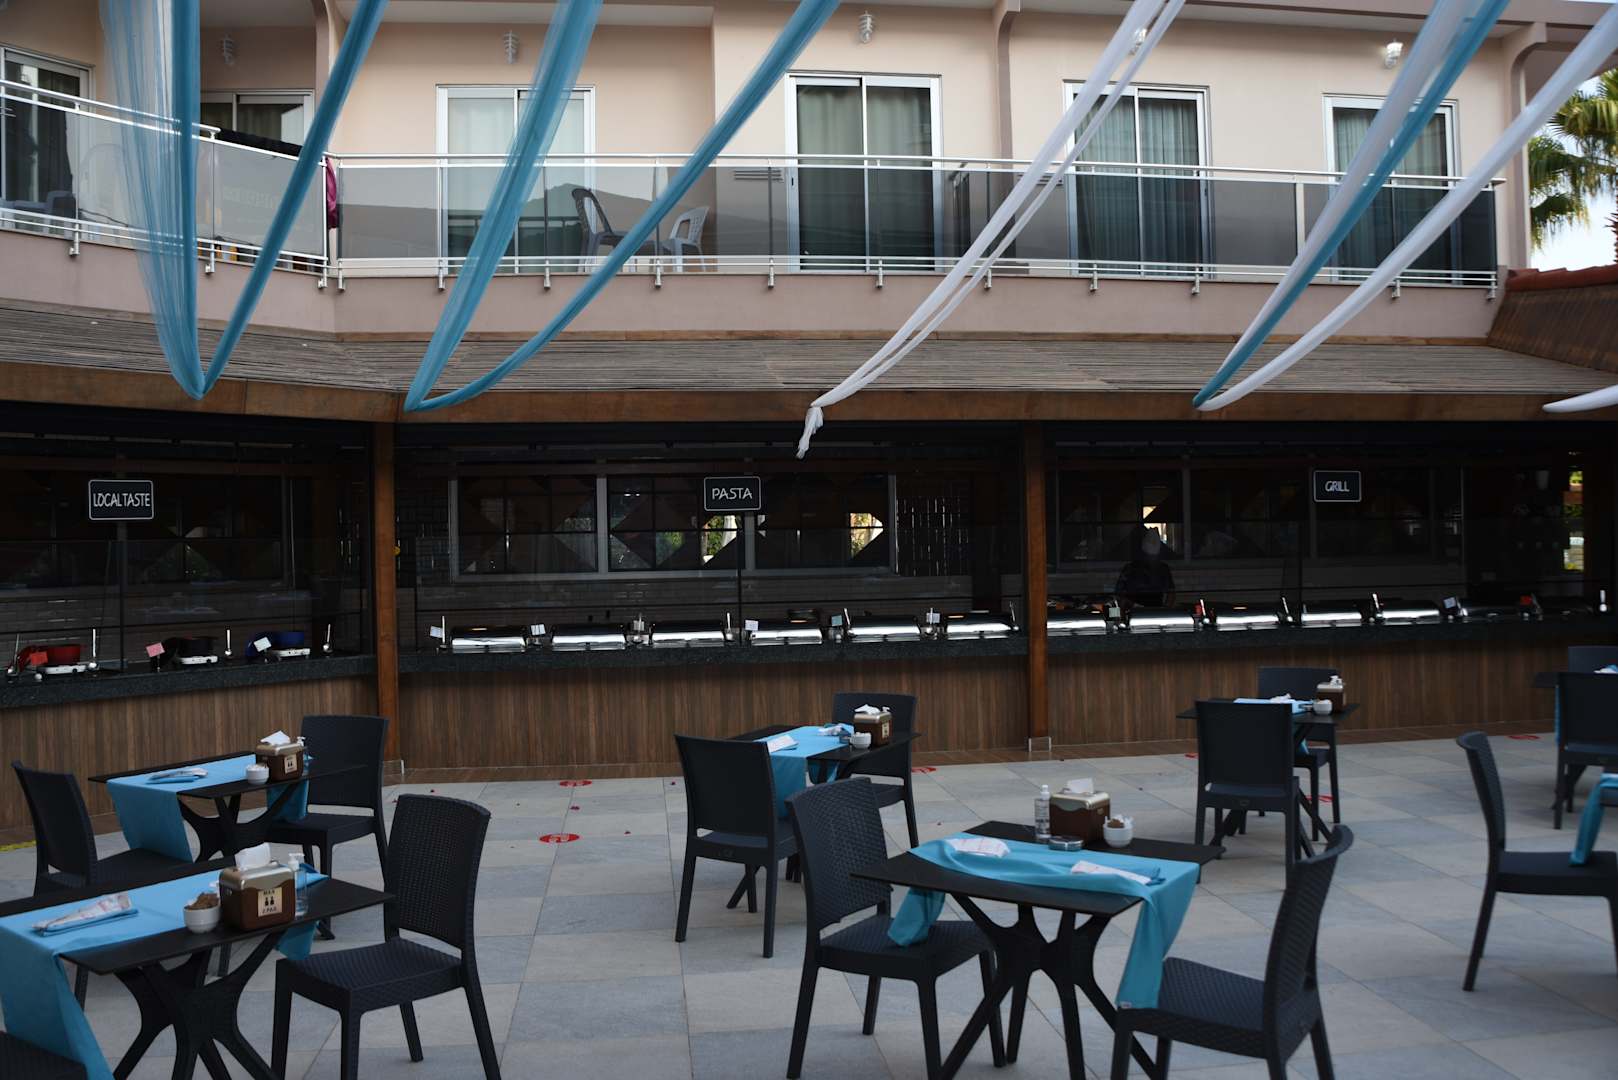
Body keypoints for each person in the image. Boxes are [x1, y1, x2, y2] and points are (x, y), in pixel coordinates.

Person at [1115, 526, 1176, 609]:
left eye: (1154, 557)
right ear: (1143, 554)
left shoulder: (1163, 569)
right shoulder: (1130, 569)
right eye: (1149, 557)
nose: (1151, 560)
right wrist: (1132, 605)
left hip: (1156, 610)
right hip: (1134, 611)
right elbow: (1119, 594)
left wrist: (1164, 610)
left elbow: (1171, 593)